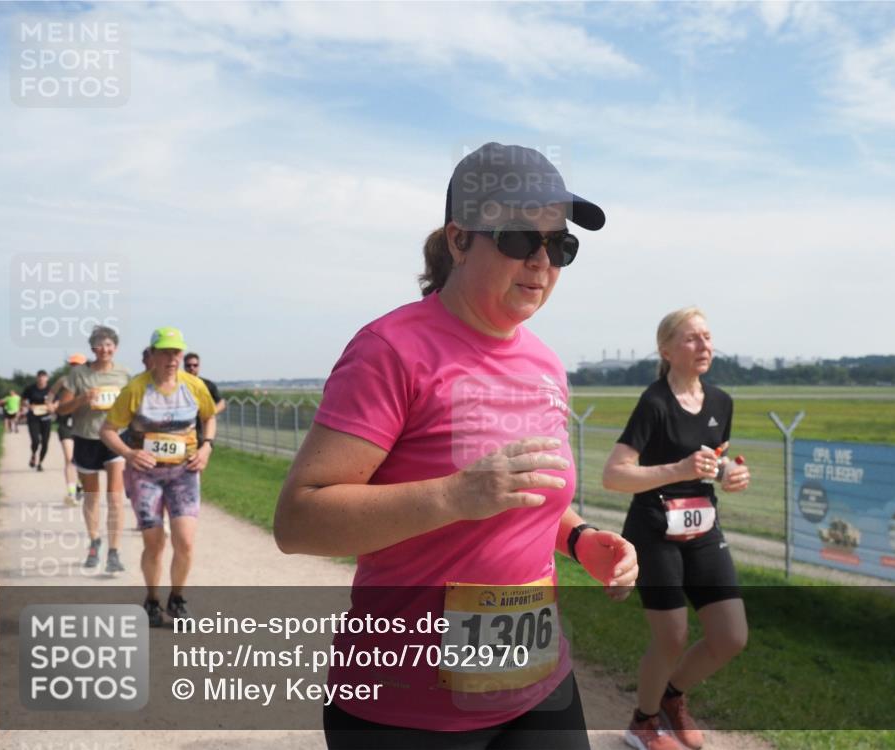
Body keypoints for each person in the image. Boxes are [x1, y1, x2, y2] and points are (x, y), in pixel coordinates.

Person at [275, 143, 637, 749]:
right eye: (522, 238)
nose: (542, 262)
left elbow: (523, 491)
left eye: (561, 246)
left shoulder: (546, 364)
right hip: (404, 709)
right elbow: (298, 520)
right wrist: (453, 495)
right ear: (459, 239)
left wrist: (578, 539)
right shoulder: (391, 350)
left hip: (536, 682)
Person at [603, 307, 752, 750]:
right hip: (653, 526)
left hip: (703, 524)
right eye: (692, 339)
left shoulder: (721, 402)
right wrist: (679, 469)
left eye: (707, 338)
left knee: (731, 636)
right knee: (672, 637)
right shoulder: (654, 403)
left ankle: (671, 697)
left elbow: (709, 460)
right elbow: (614, 475)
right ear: (666, 349)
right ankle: (643, 723)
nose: (704, 346)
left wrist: (728, 473)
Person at [99, 327, 216, 627]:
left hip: (184, 473)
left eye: (176, 352)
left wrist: (206, 447)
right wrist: (129, 453)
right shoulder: (136, 389)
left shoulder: (194, 386)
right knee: (154, 543)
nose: (172, 358)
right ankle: (152, 599)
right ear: (151, 355)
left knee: (185, 542)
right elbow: (107, 430)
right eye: (164, 352)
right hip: (145, 476)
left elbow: (209, 417)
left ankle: (176, 599)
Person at [56, 326, 131, 573]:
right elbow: (62, 409)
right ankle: (94, 541)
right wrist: (82, 400)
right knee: (92, 495)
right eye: (99, 345)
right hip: (86, 438)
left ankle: (114, 551)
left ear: (115, 348)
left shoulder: (123, 374)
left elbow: (132, 405)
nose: (105, 349)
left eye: (109, 345)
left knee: (115, 497)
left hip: (114, 438)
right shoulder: (78, 374)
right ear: (92, 348)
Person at [50, 354, 87, 505]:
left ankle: (80, 486)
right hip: (65, 424)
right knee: (69, 458)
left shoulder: (90, 381)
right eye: (72, 364)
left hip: (84, 425)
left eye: (78, 364)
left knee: (83, 461)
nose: (75, 367)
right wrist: (50, 405)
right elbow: (51, 394)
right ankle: (71, 494)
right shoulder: (63, 380)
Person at [183, 352, 225, 442]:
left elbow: (221, 403)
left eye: (195, 365)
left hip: (201, 430)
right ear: (184, 366)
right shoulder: (178, 383)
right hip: (182, 429)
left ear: (199, 366)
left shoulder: (207, 384)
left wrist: (209, 414)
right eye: (188, 365)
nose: (192, 368)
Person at [21, 370, 55, 471]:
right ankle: (33, 454)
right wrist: (29, 405)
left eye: (43, 376)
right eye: (39, 376)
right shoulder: (30, 389)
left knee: (45, 442)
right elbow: (22, 400)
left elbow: (57, 401)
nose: (41, 378)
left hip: (46, 417)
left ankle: (40, 463)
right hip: (33, 417)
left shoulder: (51, 390)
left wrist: (52, 406)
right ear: (37, 378)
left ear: (47, 378)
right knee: (35, 440)